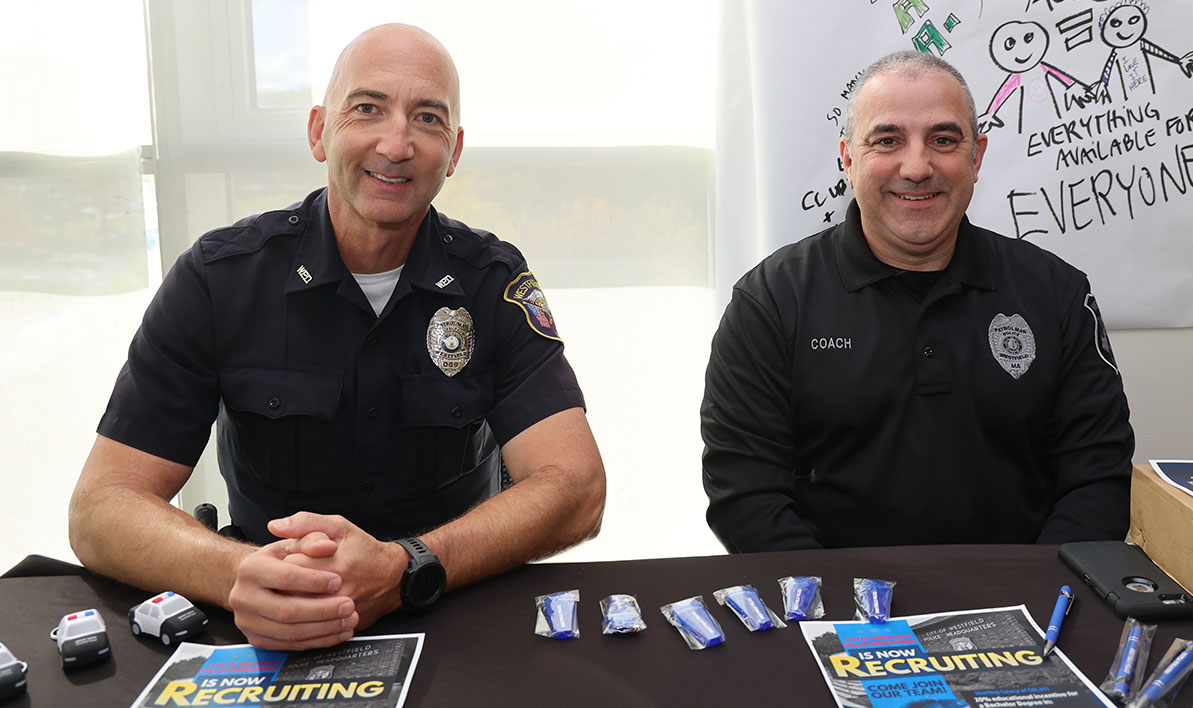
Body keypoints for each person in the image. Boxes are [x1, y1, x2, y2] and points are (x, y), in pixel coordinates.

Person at [69, 24, 605, 650]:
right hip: (271, 617)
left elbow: (577, 487)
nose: (396, 142)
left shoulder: (492, 283)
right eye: (368, 109)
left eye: (427, 118)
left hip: (449, 608)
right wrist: (240, 571)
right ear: (319, 131)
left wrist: (406, 567)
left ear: (453, 151)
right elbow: (101, 507)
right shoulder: (219, 279)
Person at [701, 50, 1133, 553]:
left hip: (1027, 611)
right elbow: (746, 496)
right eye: (887, 140)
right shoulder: (770, 302)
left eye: (944, 140)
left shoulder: (1057, 293)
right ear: (847, 156)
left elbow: (1098, 478)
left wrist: (1035, 600)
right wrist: (835, 612)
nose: (917, 166)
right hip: (835, 616)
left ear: (977, 157)